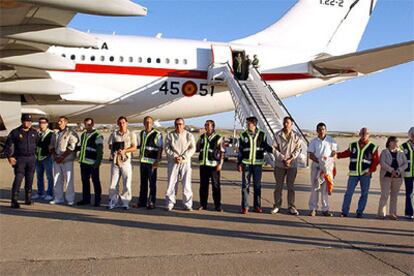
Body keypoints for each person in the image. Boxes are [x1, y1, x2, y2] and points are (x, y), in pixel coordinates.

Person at [337, 127, 379, 218]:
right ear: (359, 134)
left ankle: (359, 212)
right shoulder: (353, 145)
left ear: (369, 135)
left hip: (365, 174)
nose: (364, 135)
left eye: (366, 133)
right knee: (349, 193)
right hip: (353, 174)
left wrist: (370, 171)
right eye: (362, 133)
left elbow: (376, 161)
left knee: (364, 194)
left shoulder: (373, 146)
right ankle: (344, 212)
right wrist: (336, 155)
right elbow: (346, 153)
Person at [237, 117, 272, 214]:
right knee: (245, 186)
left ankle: (257, 206)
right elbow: (240, 151)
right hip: (246, 163)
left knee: (257, 186)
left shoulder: (262, 134)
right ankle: (245, 207)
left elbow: (265, 147)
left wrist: (275, 151)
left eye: (249, 123)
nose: (247, 124)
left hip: (257, 164)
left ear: (254, 124)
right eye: (247, 123)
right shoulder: (243, 135)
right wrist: (239, 163)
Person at [3, 114, 38, 208]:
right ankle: (14, 200)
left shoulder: (34, 132)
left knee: (30, 179)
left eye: (29, 121)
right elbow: (7, 146)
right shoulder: (15, 132)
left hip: (31, 159)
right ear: (22, 121)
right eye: (25, 121)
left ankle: (28, 198)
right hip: (20, 159)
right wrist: (10, 157)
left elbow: (38, 145)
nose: (27, 123)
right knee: (18, 179)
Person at [272, 117, 302, 215]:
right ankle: (277, 205)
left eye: (288, 123)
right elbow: (274, 148)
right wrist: (283, 158)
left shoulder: (296, 136)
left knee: (291, 187)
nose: (286, 124)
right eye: (284, 122)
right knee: (278, 186)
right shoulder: (277, 135)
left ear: (292, 124)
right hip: (280, 164)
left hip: (292, 165)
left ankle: (291, 206)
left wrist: (290, 159)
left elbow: (298, 149)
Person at [165, 118, 196, 211]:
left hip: (185, 162)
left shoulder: (189, 135)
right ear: (174, 125)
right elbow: (167, 148)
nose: (179, 126)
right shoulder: (170, 135)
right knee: (171, 183)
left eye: (180, 124)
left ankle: (187, 204)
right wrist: (174, 156)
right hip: (173, 161)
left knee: (186, 183)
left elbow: (192, 148)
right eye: (177, 124)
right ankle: (170, 203)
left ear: (184, 125)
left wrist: (183, 157)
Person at [308, 122, 337, 217]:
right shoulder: (313, 141)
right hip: (316, 167)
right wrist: (319, 161)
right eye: (319, 129)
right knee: (315, 188)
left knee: (325, 189)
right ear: (317, 131)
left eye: (323, 129)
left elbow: (334, 153)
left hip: (326, 168)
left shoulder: (331, 140)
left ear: (326, 130)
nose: (321, 131)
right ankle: (313, 209)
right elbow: (311, 155)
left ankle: (325, 209)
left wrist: (326, 161)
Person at [108, 116, 137, 210]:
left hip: (126, 161)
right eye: (120, 123)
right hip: (115, 161)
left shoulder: (131, 134)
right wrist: (115, 151)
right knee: (113, 182)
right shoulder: (114, 134)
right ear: (117, 124)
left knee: (127, 182)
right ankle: (113, 201)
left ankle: (125, 202)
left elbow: (134, 147)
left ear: (127, 123)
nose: (122, 124)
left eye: (123, 122)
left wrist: (124, 151)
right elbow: (110, 145)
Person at [49, 116, 79, 205]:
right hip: (56, 160)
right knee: (57, 179)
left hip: (67, 160)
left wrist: (62, 157)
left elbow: (72, 147)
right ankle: (58, 198)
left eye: (61, 121)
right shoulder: (55, 133)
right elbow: (51, 146)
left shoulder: (71, 133)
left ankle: (70, 199)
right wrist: (55, 155)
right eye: (58, 121)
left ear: (66, 123)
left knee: (68, 180)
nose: (59, 123)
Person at [196, 120, 225, 212]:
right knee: (203, 186)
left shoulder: (218, 137)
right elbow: (197, 148)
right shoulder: (202, 137)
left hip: (214, 165)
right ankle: (203, 204)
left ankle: (218, 205)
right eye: (206, 125)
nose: (207, 126)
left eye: (209, 125)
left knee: (216, 186)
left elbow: (222, 152)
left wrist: (220, 164)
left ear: (213, 127)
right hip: (204, 165)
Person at [135, 116, 163, 209]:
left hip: (152, 162)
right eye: (146, 122)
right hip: (143, 161)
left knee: (152, 183)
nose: (148, 124)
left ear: (152, 123)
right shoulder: (142, 133)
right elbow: (140, 146)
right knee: (143, 183)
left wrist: (157, 161)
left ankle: (151, 202)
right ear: (143, 123)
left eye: (150, 122)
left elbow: (160, 148)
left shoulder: (157, 134)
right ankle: (142, 202)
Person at [378, 136, 408, 220]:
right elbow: (382, 163)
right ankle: (381, 213)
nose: (396, 143)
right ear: (389, 142)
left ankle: (393, 213)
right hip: (386, 177)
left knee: (394, 196)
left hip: (398, 177)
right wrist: (392, 170)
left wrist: (398, 171)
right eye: (394, 141)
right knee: (385, 194)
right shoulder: (384, 152)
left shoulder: (401, 152)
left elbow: (405, 164)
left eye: (397, 141)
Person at [77, 118, 103, 207]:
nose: (87, 126)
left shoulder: (98, 135)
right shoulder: (83, 135)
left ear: (92, 124)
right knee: (85, 182)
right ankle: (86, 199)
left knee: (96, 182)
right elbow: (83, 147)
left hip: (93, 163)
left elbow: (100, 151)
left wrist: (97, 163)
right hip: (83, 162)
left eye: (89, 124)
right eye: (86, 124)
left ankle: (97, 200)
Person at [33, 117, 54, 201]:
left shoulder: (51, 133)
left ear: (47, 124)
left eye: (43, 122)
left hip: (47, 157)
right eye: (40, 122)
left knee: (49, 176)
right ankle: (40, 193)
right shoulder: (37, 133)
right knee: (39, 176)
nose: (41, 124)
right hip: (38, 157)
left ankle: (49, 193)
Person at [400, 127, 414, 219]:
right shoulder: (403, 146)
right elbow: (399, 159)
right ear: (410, 135)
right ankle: (409, 213)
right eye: (412, 134)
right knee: (409, 193)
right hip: (408, 174)